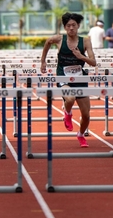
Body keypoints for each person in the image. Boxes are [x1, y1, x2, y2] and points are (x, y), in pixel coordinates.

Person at [40, 12, 97, 148]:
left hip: (80, 78)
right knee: (70, 99)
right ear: (65, 27)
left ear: (78, 26)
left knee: (86, 115)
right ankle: (68, 113)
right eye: (68, 26)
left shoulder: (85, 41)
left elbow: (93, 62)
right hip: (63, 76)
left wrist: (81, 56)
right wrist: (43, 61)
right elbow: (47, 42)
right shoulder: (59, 39)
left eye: (74, 25)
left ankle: (81, 135)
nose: (71, 28)